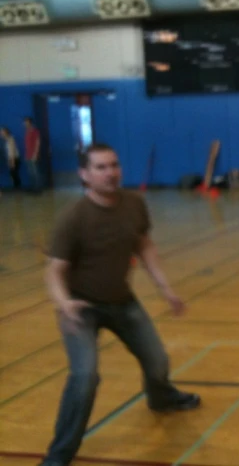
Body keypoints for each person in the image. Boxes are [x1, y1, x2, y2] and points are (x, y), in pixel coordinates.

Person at [40, 143, 200, 466]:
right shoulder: (73, 218)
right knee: (84, 377)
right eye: (100, 167)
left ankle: (161, 398)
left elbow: (143, 244)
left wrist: (165, 288)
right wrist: (64, 303)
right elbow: (54, 271)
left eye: (114, 165)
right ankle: (58, 457)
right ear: (84, 175)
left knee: (157, 361)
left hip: (122, 301)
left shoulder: (134, 204)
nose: (110, 172)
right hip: (80, 309)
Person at [24, 116, 42, 191]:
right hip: (28, 154)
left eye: (26, 122)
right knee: (30, 172)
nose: (25, 123)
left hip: (33, 154)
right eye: (24, 122)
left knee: (35, 172)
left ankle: (38, 188)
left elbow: (38, 143)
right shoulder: (27, 132)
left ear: (30, 122)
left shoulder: (35, 131)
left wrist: (35, 154)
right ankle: (33, 187)